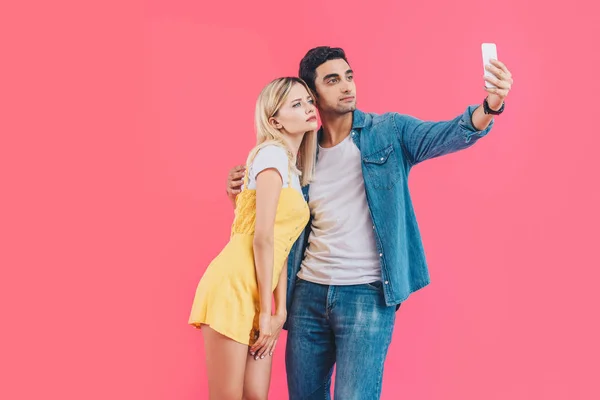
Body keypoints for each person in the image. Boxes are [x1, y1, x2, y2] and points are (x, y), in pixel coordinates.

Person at [226, 46, 514, 399]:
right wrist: (241, 191)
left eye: (349, 76)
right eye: (332, 80)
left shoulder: (388, 131)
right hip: (306, 295)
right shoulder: (296, 150)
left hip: (367, 295)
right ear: (312, 94)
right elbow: (272, 218)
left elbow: (450, 133)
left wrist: (491, 106)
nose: (347, 86)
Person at [189, 76, 318, 400]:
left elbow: (281, 245)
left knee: (256, 396)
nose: (308, 108)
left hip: (259, 292)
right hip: (234, 286)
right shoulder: (271, 155)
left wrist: (280, 310)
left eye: (309, 101)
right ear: (274, 121)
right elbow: (261, 238)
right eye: (297, 104)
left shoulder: (292, 169)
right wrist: (265, 312)